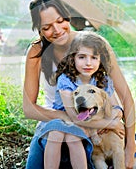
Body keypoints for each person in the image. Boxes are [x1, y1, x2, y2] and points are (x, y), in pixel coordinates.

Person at [23, 0, 136, 168]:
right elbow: (28, 109)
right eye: (47, 27)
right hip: (56, 120)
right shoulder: (36, 52)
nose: (57, 30)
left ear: (68, 16)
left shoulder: (93, 44)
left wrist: (130, 149)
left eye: (60, 21)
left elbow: (126, 98)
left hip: (94, 120)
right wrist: (71, 117)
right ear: (39, 29)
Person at [43, 31, 124, 169]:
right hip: (65, 118)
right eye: (81, 57)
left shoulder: (102, 80)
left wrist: (114, 120)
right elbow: (75, 117)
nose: (88, 63)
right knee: (57, 134)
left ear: (100, 60)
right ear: (72, 58)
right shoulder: (66, 79)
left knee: (72, 137)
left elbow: (117, 108)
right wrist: (108, 125)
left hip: (90, 121)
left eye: (94, 57)